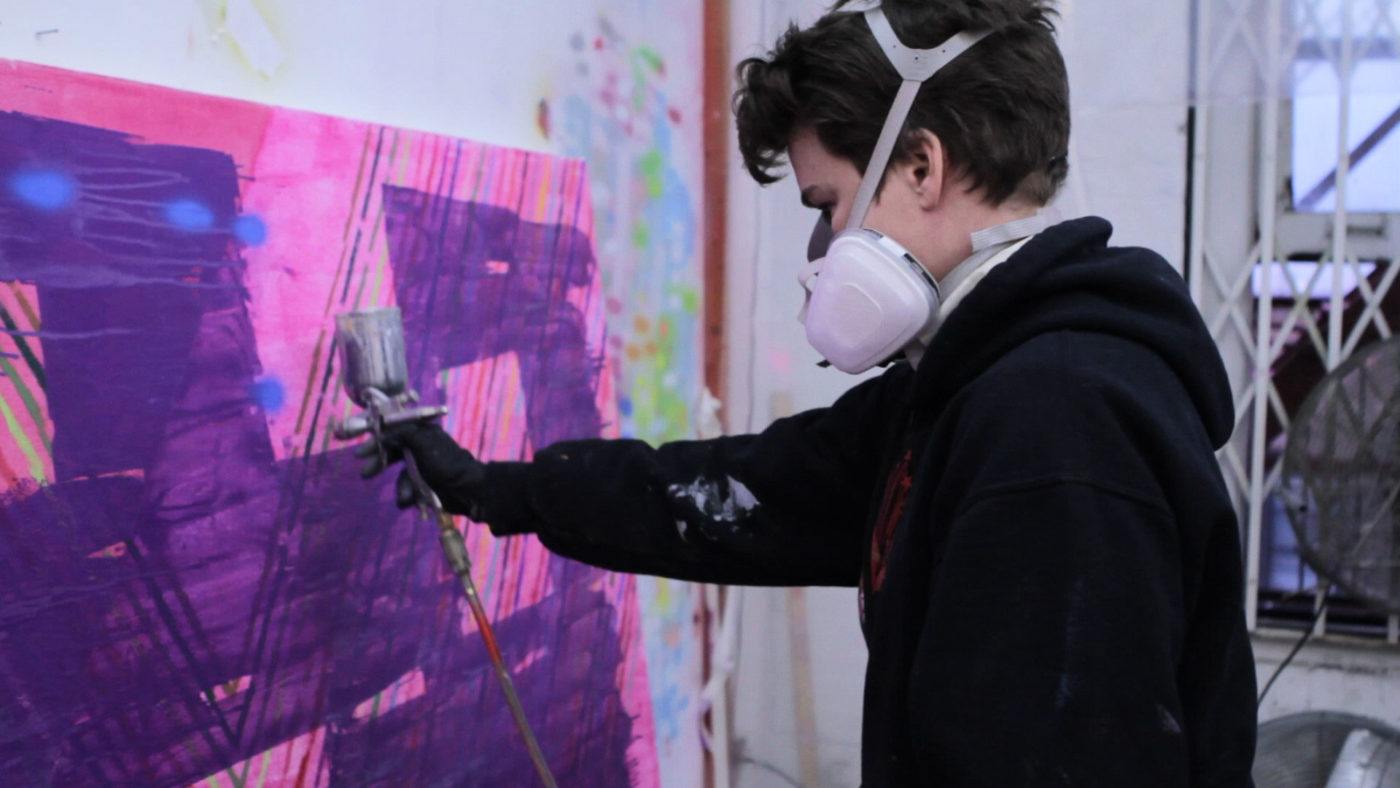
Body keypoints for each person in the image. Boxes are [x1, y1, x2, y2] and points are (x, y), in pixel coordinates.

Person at [359, 0, 1259, 784]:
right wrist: (497, 488)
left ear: (921, 166)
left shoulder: (1056, 426)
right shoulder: (969, 383)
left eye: (827, 204)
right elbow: (747, 491)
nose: (826, 249)